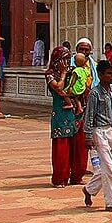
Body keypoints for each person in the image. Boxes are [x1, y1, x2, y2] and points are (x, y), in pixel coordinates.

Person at [82, 59, 112, 212]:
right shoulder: (94, 93)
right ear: (100, 75)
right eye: (109, 73)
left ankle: (90, 189)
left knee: (111, 166)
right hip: (99, 131)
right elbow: (90, 115)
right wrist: (88, 136)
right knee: (108, 167)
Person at [45, 46, 84, 188]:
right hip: (61, 113)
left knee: (78, 145)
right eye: (63, 60)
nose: (66, 63)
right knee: (62, 146)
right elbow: (58, 87)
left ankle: (77, 175)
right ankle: (60, 178)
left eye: (68, 59)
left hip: (75, 112)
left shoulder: (73, 71)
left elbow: (80, 85)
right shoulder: (50, 74)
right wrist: (62, 73)